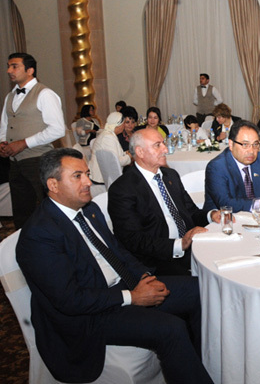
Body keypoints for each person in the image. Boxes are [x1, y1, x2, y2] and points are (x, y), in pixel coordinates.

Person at [15, 148, 213, 384]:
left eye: (87, 174)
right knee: (171, 328)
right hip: (89, 316)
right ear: (53, 185)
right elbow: (70, 300)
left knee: (202, 290)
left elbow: (117, 252)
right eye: (77, 176)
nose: (88, 182)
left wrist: (144, 277)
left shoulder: (88, 210)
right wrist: (132, 297)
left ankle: (201, 367)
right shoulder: (39, 235)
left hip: (122, 286)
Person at [108, 129, 220, 275]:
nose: (166, 149)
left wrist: (211, 215)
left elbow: (190, 211)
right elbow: (133, 240)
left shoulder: (170, 176)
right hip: (158, 259)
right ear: (140, 152)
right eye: (157, 145)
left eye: (163, 144)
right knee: (207, 282)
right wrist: (180, 244)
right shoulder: (123, 189)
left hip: (190, 247)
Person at [1, 52, 66, 229]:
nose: (9, 70)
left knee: (49, 206)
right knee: (22, 211)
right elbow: (5, 125)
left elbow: (58, 129)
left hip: (38, 159)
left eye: (14, 66)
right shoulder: (10, 96)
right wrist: (3, 143)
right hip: (15, 162)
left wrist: (24, 143)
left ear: (30, 70)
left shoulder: (45, 94)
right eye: (8, 66)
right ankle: (26, 247)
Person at [204, 120, 260, 213]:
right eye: (245, 145)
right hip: (225, 221)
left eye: (255, 144)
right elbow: (225, 203)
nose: (251, 151)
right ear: (231, 144)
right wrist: (259, 203)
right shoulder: (217, 167)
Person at [88, 112, 132, 184]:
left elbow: (114, 154)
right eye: (124, 123)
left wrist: (125, 153)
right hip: (101, 179)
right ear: (119, 125)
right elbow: (115, 161)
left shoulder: (109, 134)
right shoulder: (108, 137)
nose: (124, 126)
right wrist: (129, 156)